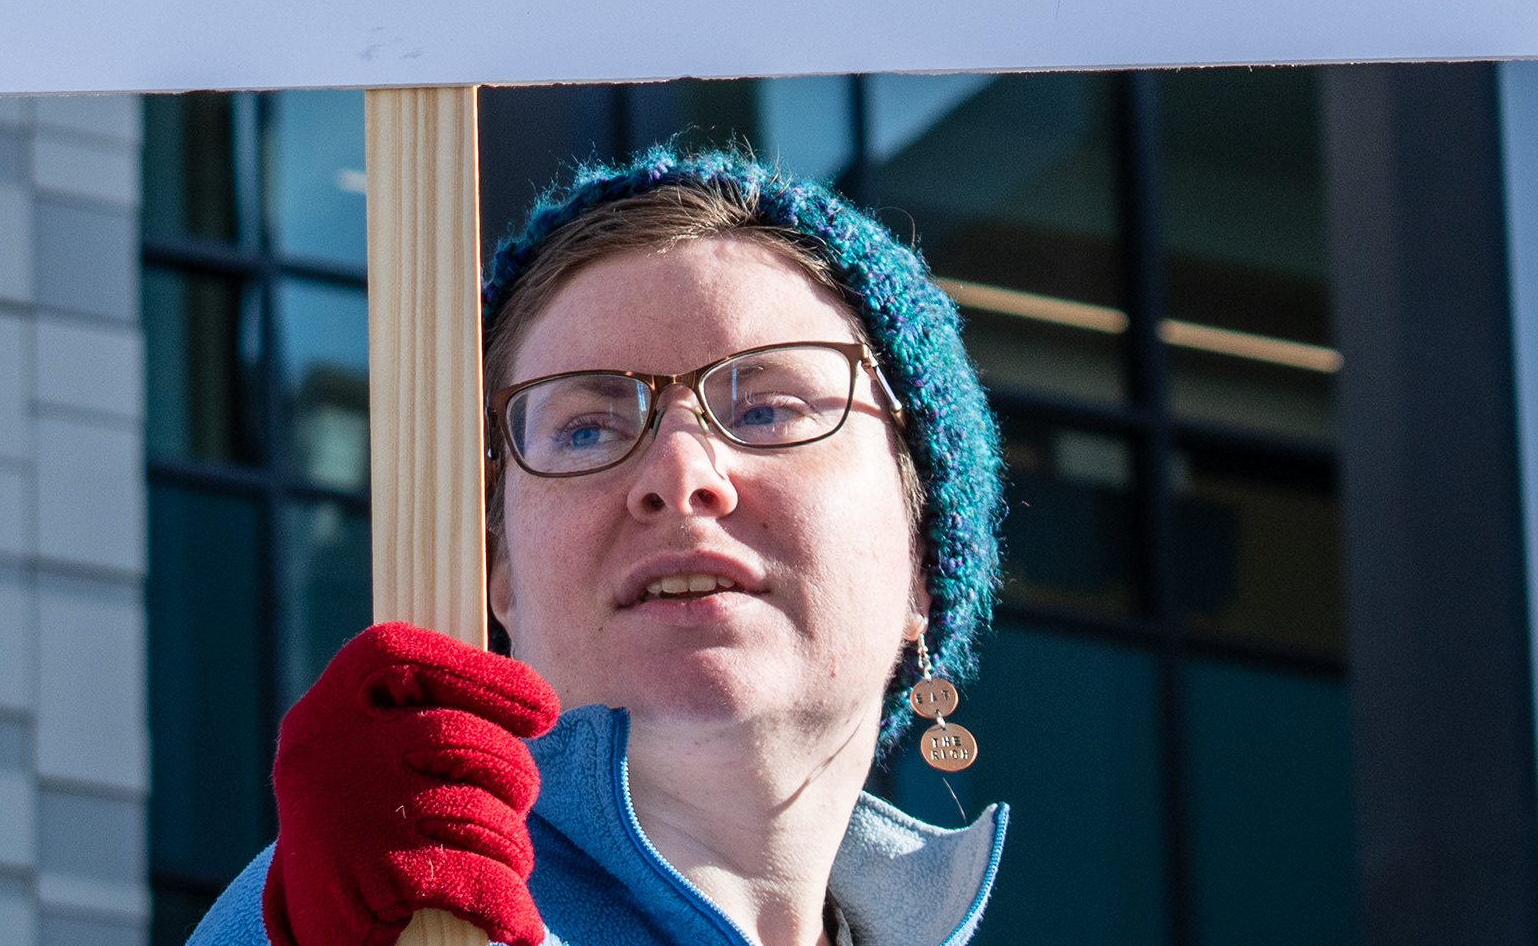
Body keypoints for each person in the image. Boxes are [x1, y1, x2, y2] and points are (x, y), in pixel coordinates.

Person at [187, 145, 1011, 946]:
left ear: (924, 561)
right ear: (499, 570)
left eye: (768, 409)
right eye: (586, 427)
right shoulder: (365, 907)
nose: (682, 474)